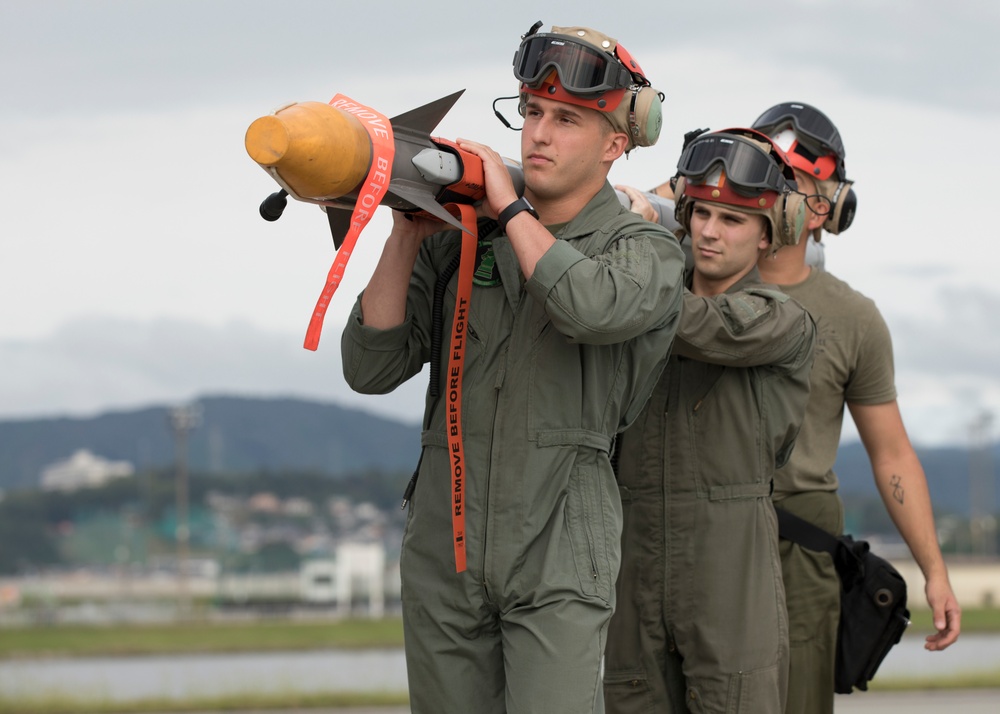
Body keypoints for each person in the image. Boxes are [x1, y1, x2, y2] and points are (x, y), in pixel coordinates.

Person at [340, 22, 685, 714]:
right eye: (531, 112)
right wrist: (407, 230)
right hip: (448, 538)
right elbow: (369, 367)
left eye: (566, 119)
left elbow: (587, 308)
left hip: (560, 535)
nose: (539, 135)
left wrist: (511, 206)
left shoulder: (643, 249)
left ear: (616, 144)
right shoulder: (468, 238)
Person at [750, 101, 961, 712]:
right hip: (699, 536)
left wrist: (936, 572)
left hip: (801, 549)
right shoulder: (688, 284)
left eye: (793, 181)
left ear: (828, 206)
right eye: (761, 174)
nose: (773, 192)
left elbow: (891, 454)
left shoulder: (853, 318)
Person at [604, 128, 817, 713]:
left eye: (733, 219)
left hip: (730, 563)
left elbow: (698, 325)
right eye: (700, 213)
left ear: (769, 236)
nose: (708, 231)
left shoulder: (779, 319)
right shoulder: (641, 301)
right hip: (634, 556)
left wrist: (641, 238)